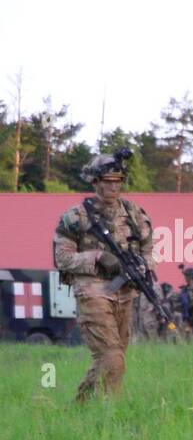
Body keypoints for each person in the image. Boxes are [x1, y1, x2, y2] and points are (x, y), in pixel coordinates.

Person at [53, 150, 156, 401]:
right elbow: (62, 259)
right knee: (112, 359)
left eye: (118, 181)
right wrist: (97, 258)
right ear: (95, 182)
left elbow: (148, 250)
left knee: (113, 358)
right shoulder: (75, 218)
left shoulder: (134, 215)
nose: (113, 186)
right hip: (92, 293)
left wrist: (144, 267)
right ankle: (112, 416)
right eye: (107, 181)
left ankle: (80, 408)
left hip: (124, 293)